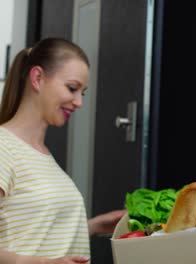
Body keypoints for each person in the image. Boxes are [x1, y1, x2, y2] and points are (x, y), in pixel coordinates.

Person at [0, 38, 126, 263]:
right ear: (37, 78)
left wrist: (93, 226)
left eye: (82, 93)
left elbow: (34, 230)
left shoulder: (42, 154)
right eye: (72, 88)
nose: (79, 102)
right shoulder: (3, 147)